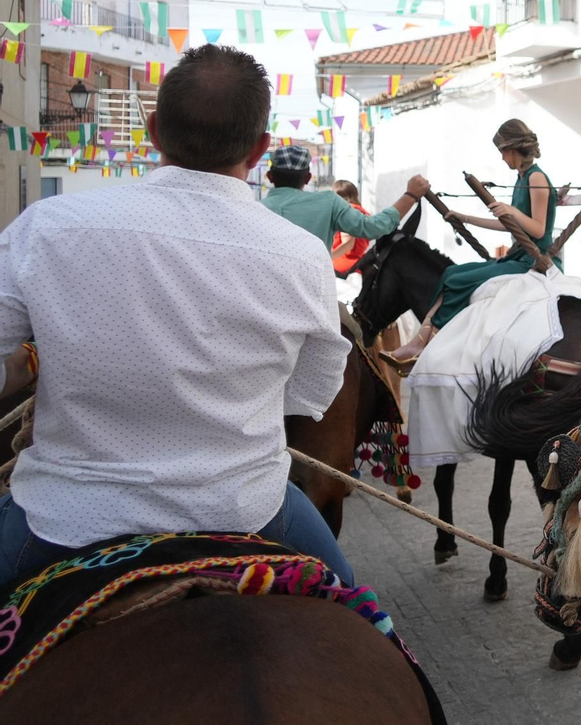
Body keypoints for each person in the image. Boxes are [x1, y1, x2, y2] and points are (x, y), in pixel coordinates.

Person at [0, 44, 356, 587]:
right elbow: (309, 395)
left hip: (65, 514)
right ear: (260, 149)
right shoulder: (302, 255)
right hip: (244, 509)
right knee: (371, 630)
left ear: (152, 130)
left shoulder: (47, 226)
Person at [384, 119, 558, 364]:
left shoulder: (536, 178)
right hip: (517, 255)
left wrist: (512, 211)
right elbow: (508, 224)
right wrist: (464, 218)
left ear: (513, 149)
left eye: (502, 152)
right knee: (450, 273)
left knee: (458, 280)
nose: (502, 158)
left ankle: (430, 341)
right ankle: (421, 339)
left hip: (533, 258)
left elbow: (539, 231)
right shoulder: (522, 177)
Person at [260, 146, 429, 253]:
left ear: (270, 176)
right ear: (308, 178)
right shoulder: (328, 203)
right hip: (314, 298)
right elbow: (372, 227)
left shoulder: (255, 209)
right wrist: (411, 196)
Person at [329, 180, 371, 275]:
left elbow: (348, 244)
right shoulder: (362, 213)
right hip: (359, 262)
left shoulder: (346, 212)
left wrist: (327, 257)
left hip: (343, 265)